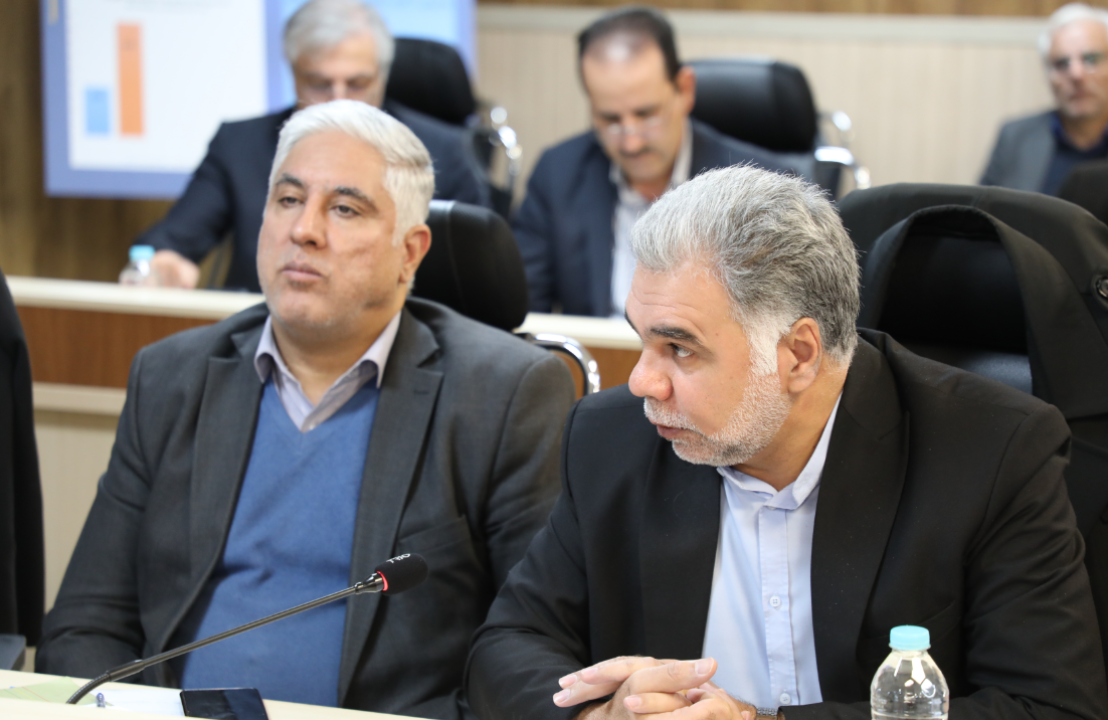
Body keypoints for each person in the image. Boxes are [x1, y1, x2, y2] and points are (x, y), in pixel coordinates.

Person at [466, 165, 1107, 720]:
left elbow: (1050, 707)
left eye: (679, 348)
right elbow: (506, 646)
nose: (641, 382)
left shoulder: (992, 453)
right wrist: (598, 713)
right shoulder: (611, 440)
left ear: (799, 354)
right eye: (642, 338)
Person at [37, 100, 575, 720]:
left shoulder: (501, 395)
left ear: (410, 251)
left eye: (344, 208)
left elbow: (531, 647)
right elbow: (86, 621)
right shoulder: (172, 377)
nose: (304, 230)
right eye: (288, 200)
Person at [137, 0, 489, 292]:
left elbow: (474, 275)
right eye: (320, 84)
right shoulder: (239, 146)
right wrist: (159, 262)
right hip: (260, 331)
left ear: (382, 75)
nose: (339, 100)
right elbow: (169, 241)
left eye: (357, 83)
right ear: (293, 73)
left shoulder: (441, 152)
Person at [513, 6, 788, 319]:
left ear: (684, 90)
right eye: (610, 120)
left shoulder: (758, 189)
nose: (631, 143)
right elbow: (522, 310)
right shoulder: (557, 174)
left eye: (646, 115)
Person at [981, 3, 1108, 195]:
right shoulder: (1015, 138)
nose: (1076, 74)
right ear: (1047, 75)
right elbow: (981, 210)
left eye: (1090, 59)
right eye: (1061, 63)